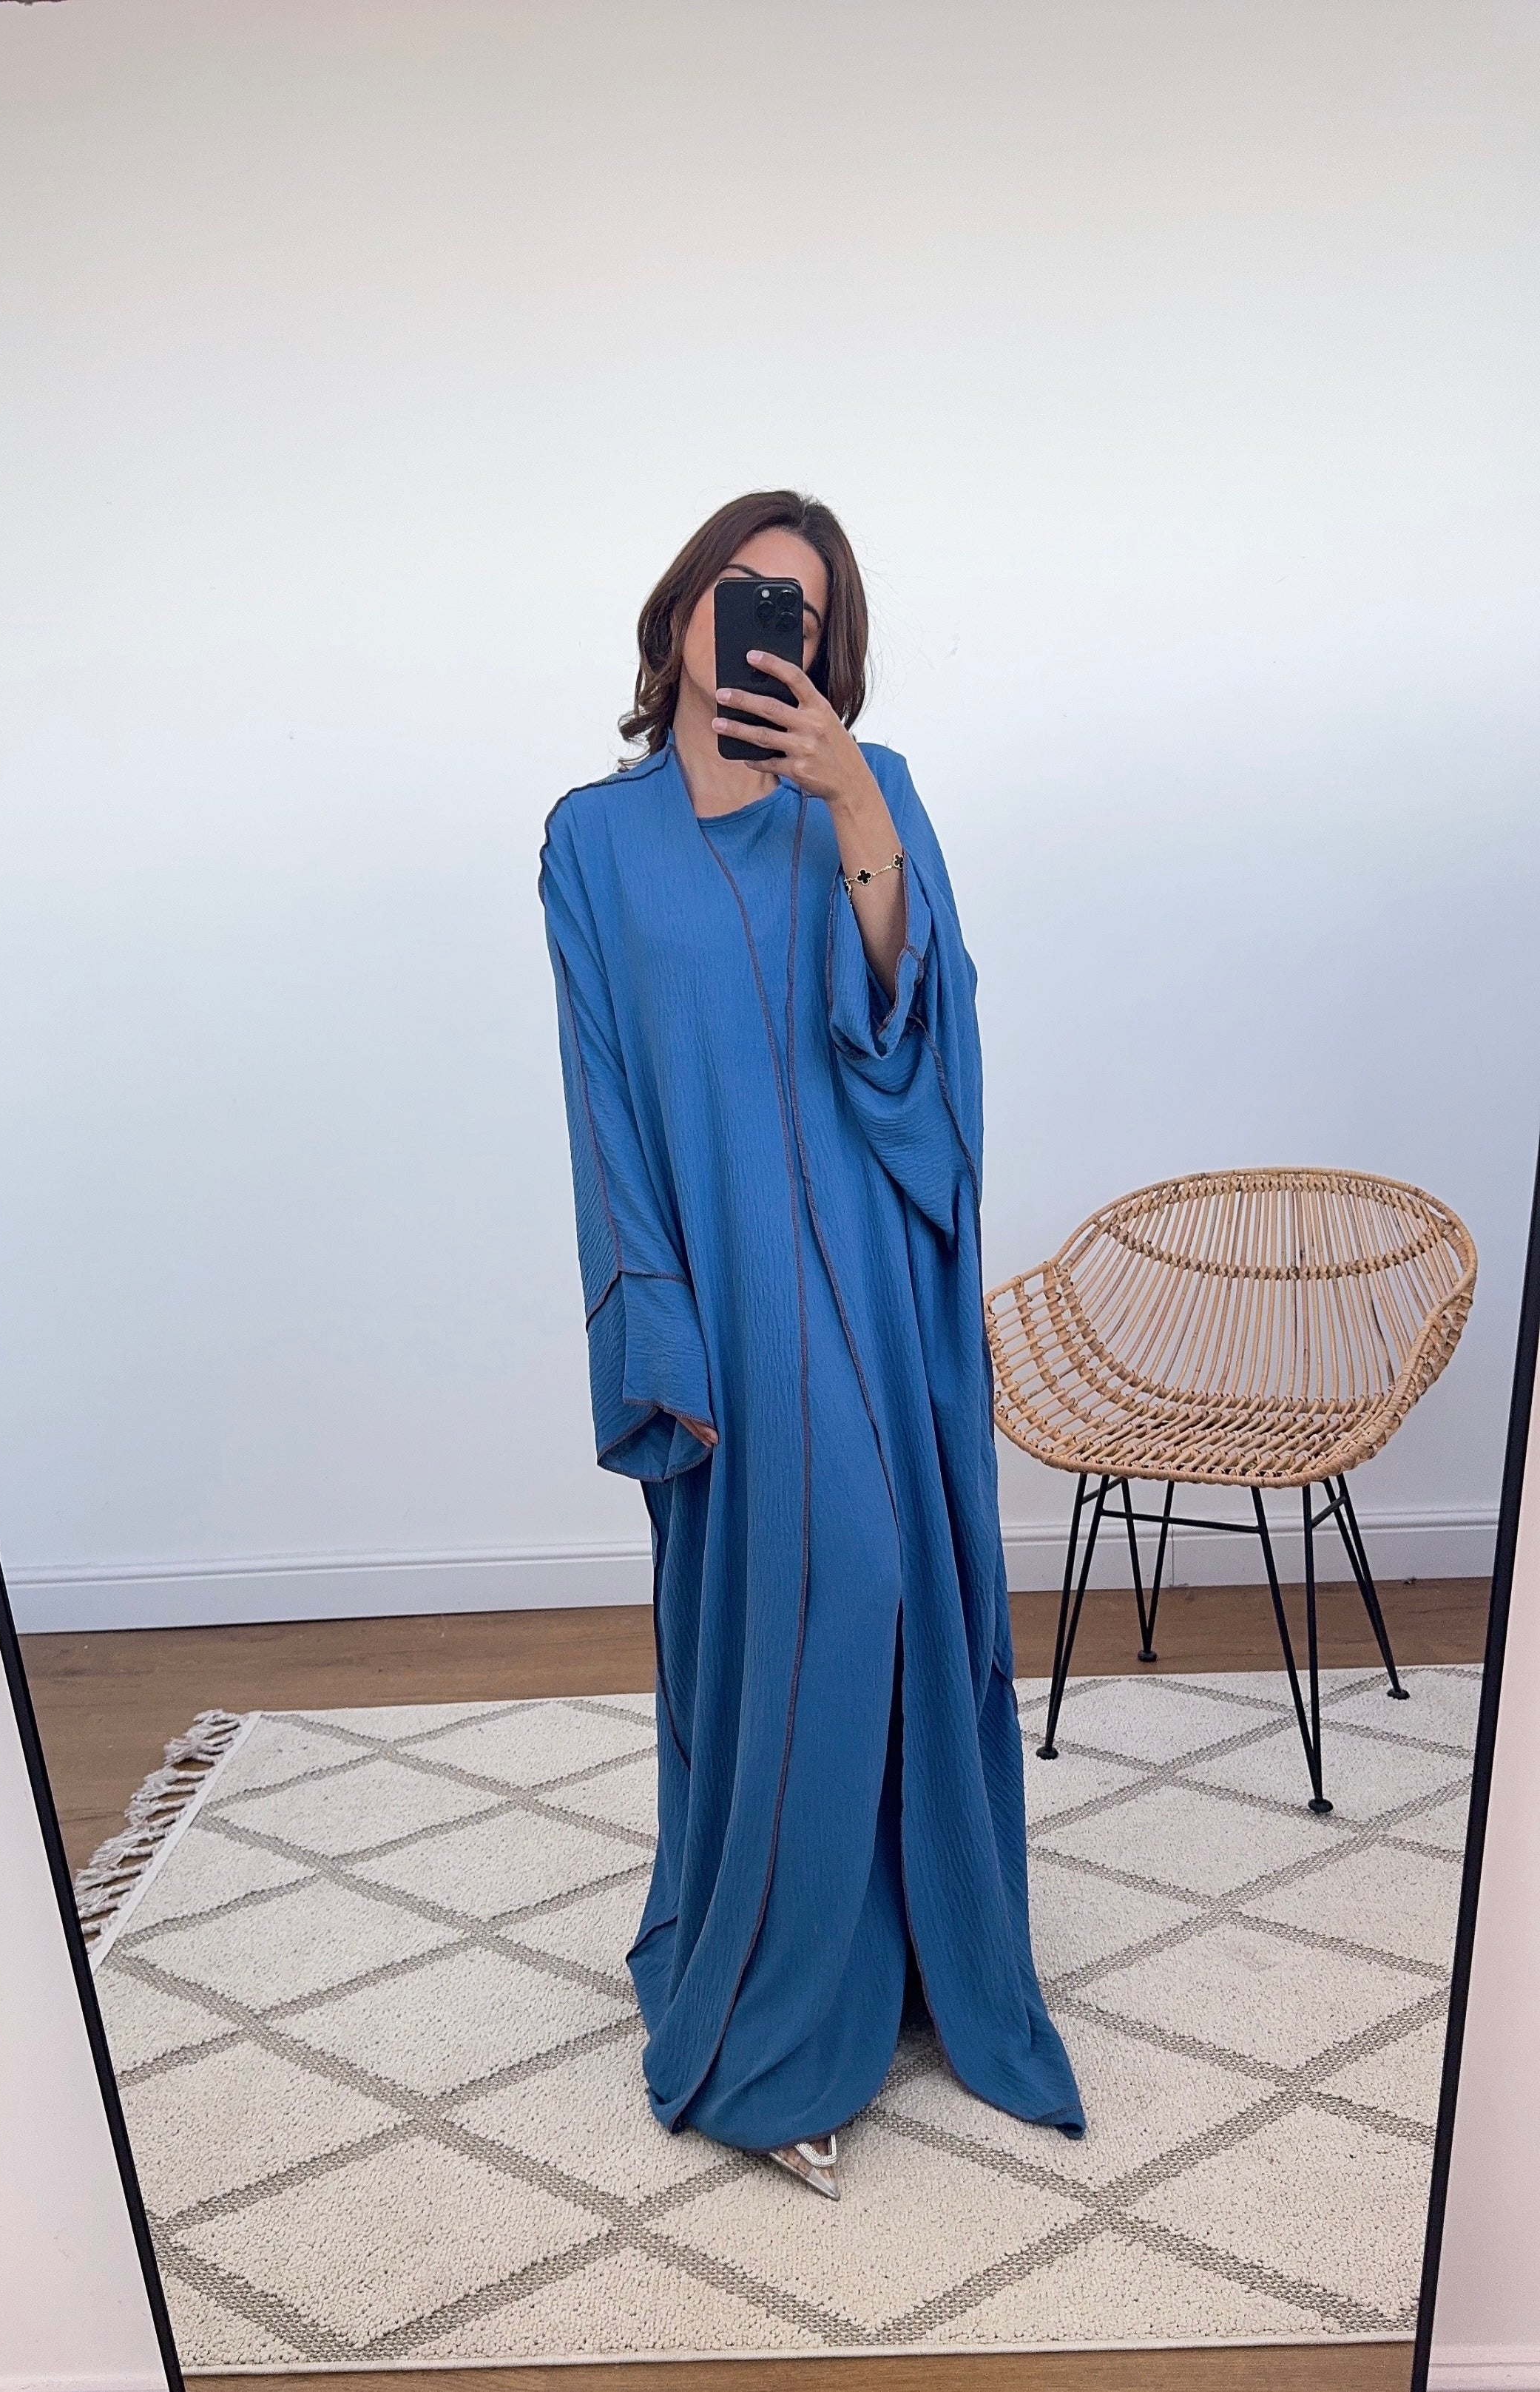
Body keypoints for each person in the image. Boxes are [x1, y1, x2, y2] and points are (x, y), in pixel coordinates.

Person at [537, 490, 1084, 2200]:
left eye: (802, 606)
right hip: (726, 1294)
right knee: (794, 1609)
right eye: (739, 587)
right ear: (681, 609)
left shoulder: (876, 788)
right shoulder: (590, 841)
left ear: (828, 649)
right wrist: (657, 1327)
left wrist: (850, 801)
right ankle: (776, 2021)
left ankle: (905, 1943)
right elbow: (604, 1104)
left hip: (875, 1264)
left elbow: (918, 1036)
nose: (764, 619)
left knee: (886, 1584)